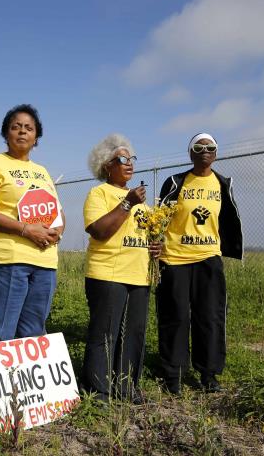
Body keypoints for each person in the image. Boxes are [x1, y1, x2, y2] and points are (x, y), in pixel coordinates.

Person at [156, 133, 243, 393]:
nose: (204, 150)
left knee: (210, 317)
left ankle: (209, 374)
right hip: (175, 259)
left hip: (208, 260)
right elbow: (160, 218)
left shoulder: (223, 183)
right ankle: (173, 375)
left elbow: (228, 219)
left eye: (210, 147)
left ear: (216, 153)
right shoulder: (175, 182)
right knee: (176, 317)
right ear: (190, 153)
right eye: (198, 147)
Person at [0, 104, 65, 344]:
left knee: (34, 332)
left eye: (29, 128)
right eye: (16, 127)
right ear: (6, 134)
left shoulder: (42, 171)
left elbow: (58, 213)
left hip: (44, 262)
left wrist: (57, 232)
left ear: (36, 137)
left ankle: (22, 383)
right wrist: (26, 229)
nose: (22, 132)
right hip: (9, 260)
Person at [81, 134, 161, 404]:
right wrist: (127, 203)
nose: (129, 164)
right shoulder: (99, 194)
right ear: (107, 166)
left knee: (133, 334)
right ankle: (99, 391)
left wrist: (156, 247)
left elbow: (148, 237)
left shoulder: (144, 204)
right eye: (122, 159)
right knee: (105, 333)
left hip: (139, 276)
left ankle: (126, 387)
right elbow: (99, 231)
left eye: (131, 159)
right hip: (108, 274)